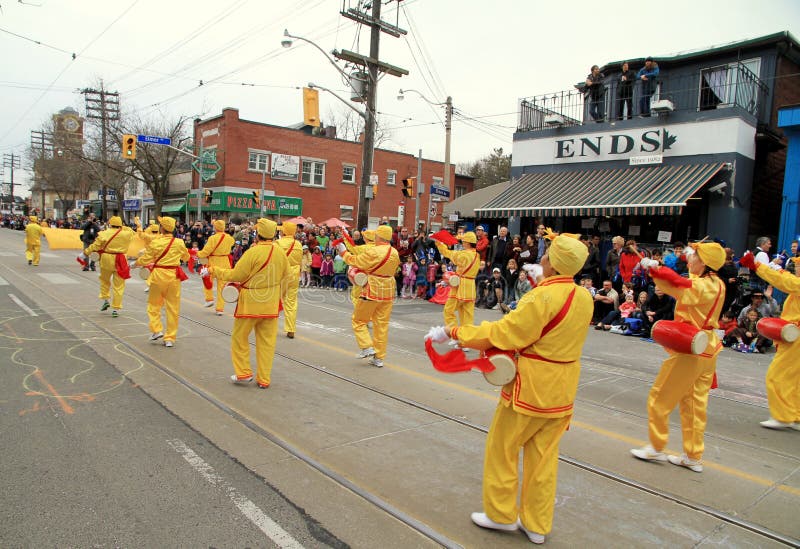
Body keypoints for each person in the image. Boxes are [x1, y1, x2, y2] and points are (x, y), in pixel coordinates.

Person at [425, 230, 592, 544]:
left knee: (502, 449)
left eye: (548, 251)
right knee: (543, 460)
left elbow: (505, 333)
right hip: (563, 389)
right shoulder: (584, 296)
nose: (542, 254)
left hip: (530, 387)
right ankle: (537, 524)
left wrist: (455, 332)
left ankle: (502, 515)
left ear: (552, 263)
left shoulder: (542, 296)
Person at [631, 241, 726, 473]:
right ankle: (692, 456)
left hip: (691, 349)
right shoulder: (718, 283)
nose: (689, 259)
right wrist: (657, 269)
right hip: (708, 349)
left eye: (693, 256)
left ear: (703, 262)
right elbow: (679, 282)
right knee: (694, 404)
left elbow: (679, 286)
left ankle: (656, 446)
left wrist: (653, 269)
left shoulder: (703, 285)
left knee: (660, 397)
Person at [211, 219, 289, 389]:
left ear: (257, 234)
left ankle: (243, 373)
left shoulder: (252, 252)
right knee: (267, 343)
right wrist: (279, 297)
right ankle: (264, 379)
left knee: (239, 338)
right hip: (270, 304)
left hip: (250, 303)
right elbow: (287, 277)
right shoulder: (280, 252)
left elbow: (236, 275)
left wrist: (214, 270)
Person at [739, 252, 800, 429]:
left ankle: (782, 416)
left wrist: (757, 266)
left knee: (777, 375)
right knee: (794, 378)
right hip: (793, 334)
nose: (796, 269)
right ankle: (794, 414)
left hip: (796, 336)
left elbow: (783, 280)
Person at [338, 225, 400, 368]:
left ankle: (366, 347)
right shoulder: (395, 252)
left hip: (372, 288)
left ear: (378, 236)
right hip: (388, 290)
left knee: (358, 320)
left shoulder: (373, 251)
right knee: (381, 325)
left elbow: (355, 261)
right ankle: (379, 357)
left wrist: (343, 253)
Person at [135, 216, 190, 348]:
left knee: (154, 305)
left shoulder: (156, 242)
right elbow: (186, 257)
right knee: (172, 308)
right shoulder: (179, 243)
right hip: (173, 277)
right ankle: (170, 338)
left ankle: (156, 329)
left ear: (162, 228)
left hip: (158, 276)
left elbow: (146, 259)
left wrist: (135, 264)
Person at [85, 216, 135, 318]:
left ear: (110, 224)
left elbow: (95, 246)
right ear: (121, 225)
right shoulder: (127, 233)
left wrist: (86, 252)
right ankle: (116, 309)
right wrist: (123, 227)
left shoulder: (104, 233)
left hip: (106, 258)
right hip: (121, 259)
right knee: (119, 285)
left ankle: (105, 299)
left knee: (104, 280)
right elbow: (131, 230)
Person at [435, 231, 481, 337]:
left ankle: (454, 335)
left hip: (460, 286)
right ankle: (466, 339)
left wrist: (439, 244)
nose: (462, 243)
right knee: (467, 316)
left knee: (448, 310)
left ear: (467, 243)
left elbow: (448, 253)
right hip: (470, 287)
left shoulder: (464, 254)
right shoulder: (477, 256)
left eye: (463, 241)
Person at [197, 219, 235, 316]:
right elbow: (232, 243)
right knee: (222, 287)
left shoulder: (212, 238)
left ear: (215, 227)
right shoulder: (229, 238)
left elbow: (206, 251)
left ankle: (209, 299)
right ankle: (220, 309)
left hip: (213, 262)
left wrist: (198, 253)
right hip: (225, 262)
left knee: (207, 279)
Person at [276, 222, 303, 338]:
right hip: (294, 274)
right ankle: (291, 329)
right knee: (291, 302)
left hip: (282, 273)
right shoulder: (298, 244)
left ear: (284, 231)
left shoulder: (278, 243)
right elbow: (300, 261)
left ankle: (269, 326)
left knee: (274, 299)